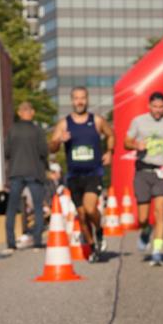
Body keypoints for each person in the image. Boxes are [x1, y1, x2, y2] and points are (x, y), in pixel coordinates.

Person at [50, 87, 114, 262]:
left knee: (90, 208)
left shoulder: (97, 121)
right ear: (72, 101)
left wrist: (109, 151)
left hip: (93, 172)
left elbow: (110, 134)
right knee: (82, 215)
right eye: (76, 98)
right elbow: (52, 147)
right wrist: (59, 140)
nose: (79, 101)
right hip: (74, 175)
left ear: (87, 100)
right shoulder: (64, 123)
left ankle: (100, 231)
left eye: (82, 98)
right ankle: (93, 247)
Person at [124, 91, 163, 266]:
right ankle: (145, 230)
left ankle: (157, 251)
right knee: (143, 218)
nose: (158, 110)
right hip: (143, 171)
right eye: (155, 107)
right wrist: (136, 144)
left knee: (160, 212)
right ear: (149, 106)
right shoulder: (139, 121)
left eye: (161, 107)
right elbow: (126, 142)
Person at [4, 101, 48, 252]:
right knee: (37, 207)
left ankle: (10, 242)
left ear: (19, 113)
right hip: (35, 172)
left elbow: (7, 152)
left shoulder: (12, 130)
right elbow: (44, 151)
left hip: (16, 171)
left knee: (12, 207)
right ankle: (37, 241)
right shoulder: (38, 131)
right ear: (32, 112)